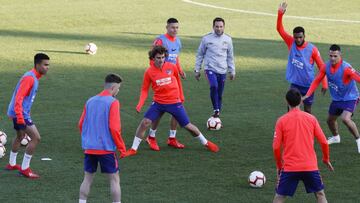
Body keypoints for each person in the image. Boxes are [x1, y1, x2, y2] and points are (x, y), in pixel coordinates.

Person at [126, 46, 219, 156]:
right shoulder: (149, 72)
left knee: (188, 126)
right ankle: (133, 149)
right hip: (158, 103)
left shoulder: (172, 67)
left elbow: (178, 81)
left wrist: (181, 96)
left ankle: (206, 143)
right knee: (145, 123)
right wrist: (140, 104)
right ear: (152, 58)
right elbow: (144, 89)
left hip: (174, 102)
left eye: (162, 57)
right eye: (158, 58)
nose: (161, 60)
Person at [273, 88, 333, 203]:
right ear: (301, 101)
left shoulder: (281, 121)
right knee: (320, 194)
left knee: (279, 196)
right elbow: (324, 142)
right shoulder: (311, 119)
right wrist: (326, 159)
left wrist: (279, 166)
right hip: (310, 166)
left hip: (290, 167)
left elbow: (276, 147)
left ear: (286, 101)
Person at [78, 74, 126, 203]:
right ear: (113, 87)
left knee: (87, 179)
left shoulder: (90, 101)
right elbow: (115, 128)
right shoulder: (113, 102)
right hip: (106, 149)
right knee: (114, 179)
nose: (118, 91)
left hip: (89, 148)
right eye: (118, 88)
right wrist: (121, 147)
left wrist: (88, 139)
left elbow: (81, 124)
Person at [303, 44, 360, 153]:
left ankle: (358, 140)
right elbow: (317, 80)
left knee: (345, 119)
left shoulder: (346, 68)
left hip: (350, 98)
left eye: (335, 56)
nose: (332, 58)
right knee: (330, 120)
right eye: (331, 56)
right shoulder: (326, 66)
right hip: (337, 99)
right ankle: (336, 137)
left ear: (340, 55)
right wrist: (307, 94)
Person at [277, 1, 327, 114]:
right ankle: (290, 128)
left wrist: (324, 83)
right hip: (295, 84)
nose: (298, 40)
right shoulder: (291, 43)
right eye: (296, 37)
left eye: (300, 37)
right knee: (290, 108)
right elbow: (280, 29)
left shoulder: (312, 49)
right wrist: (280, 14)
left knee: (308, 109)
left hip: (309, 85)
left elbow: (322, 67)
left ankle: (308, 130)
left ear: (304, 36)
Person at [5, 53, 50, 179]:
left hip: (18, 112)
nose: (47, 67)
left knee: (20, 136)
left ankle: (12, 164)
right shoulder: (30, 78)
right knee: (36, 138)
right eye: (45, 65)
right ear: (37, 65)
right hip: (19, 113)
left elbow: (24, 99)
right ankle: (25, 169)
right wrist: (20, 117)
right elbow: (19, 98)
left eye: (48, 65)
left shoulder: (33, 77)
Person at [147, 17, 186, 151]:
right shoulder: (160, 40)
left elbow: (176, 58)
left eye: (177, 27)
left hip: (174, 79)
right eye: (172, 27)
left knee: (177, 106)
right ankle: (151, 137)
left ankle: (172, 138)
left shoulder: (178, 41)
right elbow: (152, 58)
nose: (175, 30)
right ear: (167, 27)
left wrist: (180, 71)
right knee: (160, 110)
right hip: (162, 80)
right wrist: (156, 75)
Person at [194, 17, 235, 118]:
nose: (219, 29)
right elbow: (200, 54)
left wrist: (232, 71)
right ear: (213, 27)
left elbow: (230, 56)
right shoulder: (206, 39)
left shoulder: (228, 39)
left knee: (220, 94)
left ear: (224, 27)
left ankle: (217, 116)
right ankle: (216, 109)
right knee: (214, 86)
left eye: (221, 26)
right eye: (217, 26)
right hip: (210, 69)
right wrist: (197, 69)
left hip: (222, 70)